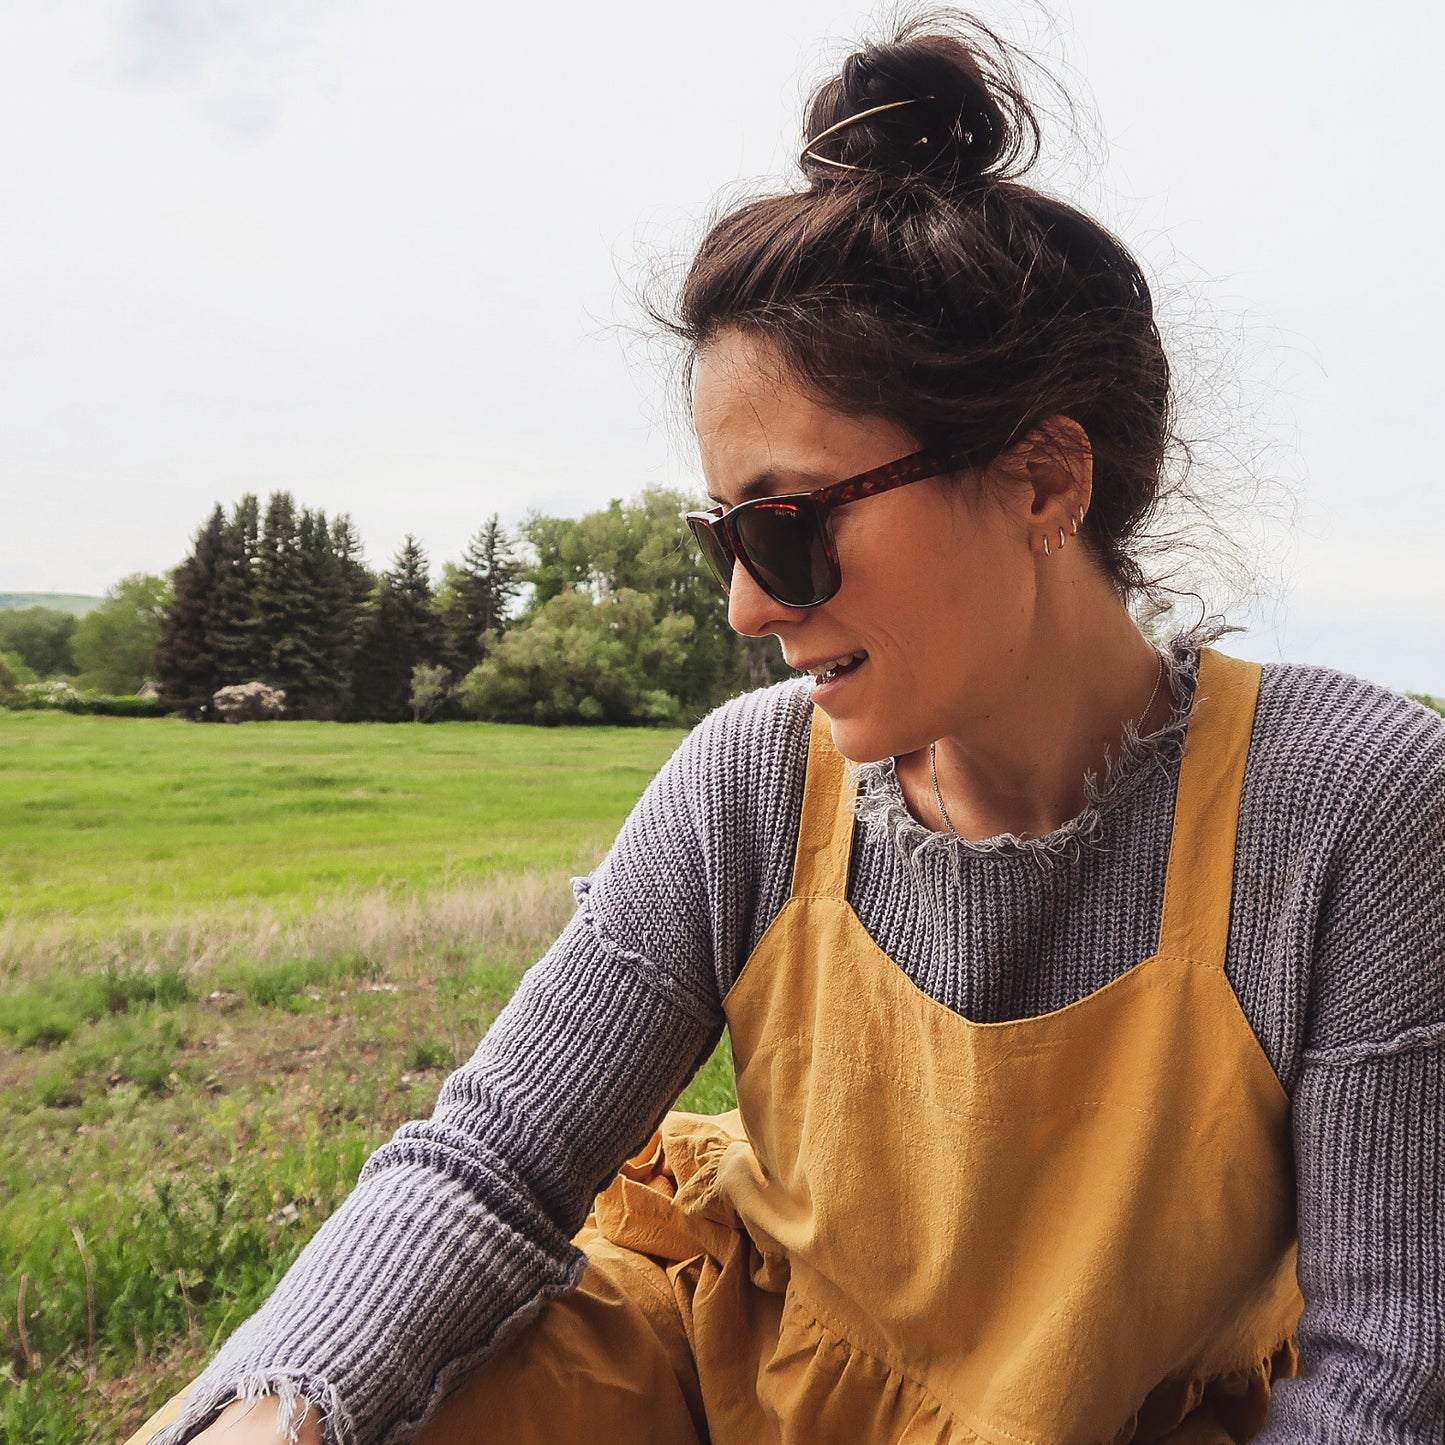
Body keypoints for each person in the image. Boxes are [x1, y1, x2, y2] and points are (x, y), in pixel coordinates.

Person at [128, 14, 1444, 1445]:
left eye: (789, 527)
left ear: (1042, 479)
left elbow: (1382, 1372)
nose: (749, 608)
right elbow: (493, 1158)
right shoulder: (750, 783)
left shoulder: (1348, 806)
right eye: (723, 538)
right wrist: (278, 1411)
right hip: (727, 1383)